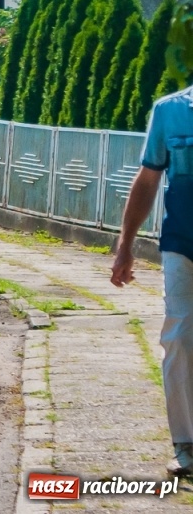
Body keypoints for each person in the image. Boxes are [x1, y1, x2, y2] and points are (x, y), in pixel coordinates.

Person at [111, 81, 193, 478]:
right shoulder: (170, 110)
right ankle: (186, 444)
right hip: (183, 242)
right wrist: (125, 244)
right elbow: (148, 180)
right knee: (178, 336)